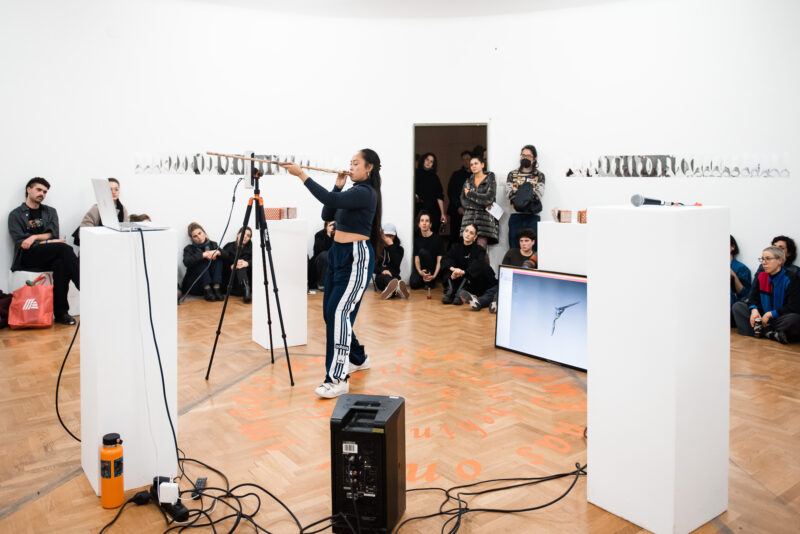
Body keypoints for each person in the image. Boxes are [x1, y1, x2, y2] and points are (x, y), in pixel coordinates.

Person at [282, 149, 382, 399]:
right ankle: (358, 358)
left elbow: (327, 200)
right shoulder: (350, 192)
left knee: (339, 314)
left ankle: (337, 379)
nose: (351, 166)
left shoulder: (366, 193)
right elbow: (327, 212)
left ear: (368, 168)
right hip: (338, 254)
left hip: (356, 257)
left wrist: (301, 175)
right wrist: (337, 187)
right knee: (332, 314)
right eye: (350, 163)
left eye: (356, 163)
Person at [8, 177, 80, 325]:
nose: (42, 193)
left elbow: (53, 233)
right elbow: (22, 243)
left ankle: (61, 313)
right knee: (64, 249)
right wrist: (48, 241)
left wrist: (34, 237)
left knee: (61, 263)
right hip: (27, 258)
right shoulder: (16, 214)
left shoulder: (50, 212)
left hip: (48, 256)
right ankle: (85, 286)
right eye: (39, 189)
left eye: (45, 191)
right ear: (29, 189)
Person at [732, 246, 800, 344]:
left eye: (768, 259)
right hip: (761, 317)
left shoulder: (792, 278)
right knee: (738, 307)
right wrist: (754, 310)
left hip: (779, 318)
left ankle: (762, 332)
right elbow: (752, 298)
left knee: (795, 319)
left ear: (780, 260)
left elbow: (794, 306)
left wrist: (770, 314)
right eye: (762, 259)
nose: (763, 262)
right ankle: (772, 334)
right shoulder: (761, 276)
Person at [462, 228, 537, 313]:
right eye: (521, 241)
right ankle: (479, 302)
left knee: (504, 291)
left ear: (533, 242)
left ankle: (497, 303)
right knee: (495, 289)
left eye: (526, 241)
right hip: (508, 282)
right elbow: (503, 272)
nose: (523, 243)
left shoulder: (535, 257)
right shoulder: (511, 253)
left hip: (524, 287)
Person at [442, 224, 496, 305]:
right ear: (463, 233)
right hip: (456, 276)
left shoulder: (479, 250)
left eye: (471, 233)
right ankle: (451, 290)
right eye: (466, 231)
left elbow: (478, 265)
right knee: (448, 264)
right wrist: (453, 269)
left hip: (471, 280)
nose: (467, 234)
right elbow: (445, 259)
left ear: (475, 237)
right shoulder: (455, 246)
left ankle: (460, 293)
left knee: (479, 267)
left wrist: (463, 272)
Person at [506, 145, 545, 247]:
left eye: (528, 156)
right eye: (523, 155)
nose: (525, 158)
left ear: (534, 158)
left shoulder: (539, 175)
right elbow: (509, 192)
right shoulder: (512, 174)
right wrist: (521, 199)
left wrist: (521, 198)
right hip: (515, 215)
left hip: (532, 216)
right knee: (514, 246)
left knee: (532, 249)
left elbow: (538, 194)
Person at [72, 177, 129, 246]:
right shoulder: (96, 209)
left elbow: (126, 230)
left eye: (116, 189)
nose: (114, 192)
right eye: (110, 189)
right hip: (95, 245)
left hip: (115, 244)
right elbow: (84, 231)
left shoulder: (123, 209)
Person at [460, 156, 499, 248]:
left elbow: (488, 198)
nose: (473, 166)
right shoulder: (467, 182)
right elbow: (463, 201)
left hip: (484, 221)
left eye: (476, 163)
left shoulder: (490, 179)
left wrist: (470, 194)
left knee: (481, 250)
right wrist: (481, 203)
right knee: (468, 250)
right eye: (471, 164)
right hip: (469, 219)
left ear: (482, 165)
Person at [181, 222, 224, 301]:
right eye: (195, 236)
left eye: (200, 233)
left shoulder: (213, 244)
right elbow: (186, 262)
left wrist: (217, 252)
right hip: (197, 285)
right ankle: (207, 290)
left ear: (204, 232)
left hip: (213, 283)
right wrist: (203, 255)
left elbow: (227, 256)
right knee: (200, 261)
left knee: (218, 260)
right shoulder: (189, 248)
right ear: (192, 238)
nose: (199, 237)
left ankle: (216, 288)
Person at [410, 211, 443, 290]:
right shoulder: (417, 239)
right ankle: (425, 280)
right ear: (419, 224)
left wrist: (434, 275)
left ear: (430, 224)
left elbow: (439, 261)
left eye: (427, 221)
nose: (424, 223)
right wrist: (420, 271)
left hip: (432, 268)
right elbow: (416, 258)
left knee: (423, 252)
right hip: (421, 268)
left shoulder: (437, 239)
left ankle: (429, 279)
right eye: (422, 221)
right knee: (413, 284)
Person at [414, 152, 446, 235]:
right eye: (427, 160)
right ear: (423, 160)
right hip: (419, 210)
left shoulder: (435, 177)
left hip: (433, 211)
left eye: (431, 161)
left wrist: (443, 214)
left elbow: (439, 195)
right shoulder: (415, 174)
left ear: (433, 164)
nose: (428, 162)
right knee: (419, 234)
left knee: (433, 234)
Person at [374, 223, 408, 299]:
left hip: (395, 276)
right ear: (382, 235)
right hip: (381, 277)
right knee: (387, 279)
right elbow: (373, 267)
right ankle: (397, 289)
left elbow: (397, 263)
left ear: (395, 236)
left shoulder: (399, 249)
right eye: (386, 235)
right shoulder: (377, 248)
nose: (388, 238)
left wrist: (391, 246)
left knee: (395, 281)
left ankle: (392, 290)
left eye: (391, 236)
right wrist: (383, 271)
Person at [446, 150, 472, 246]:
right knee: (455, 235)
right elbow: (451, 192)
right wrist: (458, 207)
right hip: (457, 210)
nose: (466, 161)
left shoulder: (476, 175)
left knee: (469, 235)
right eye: (464, 159)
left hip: (471, 211)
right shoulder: (456, 175)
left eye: (468, 159)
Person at [221, 226, 253, 303]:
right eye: (243, 233)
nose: (245, 236)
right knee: (238, 264)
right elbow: (222, 260)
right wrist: (231, 266)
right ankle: (246, 290)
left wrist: (247, 263)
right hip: (231, 278)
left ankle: (246, 288)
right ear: (238, 234)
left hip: (246, 277)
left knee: (241, 265)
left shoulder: (252, 248)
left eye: (248, 236)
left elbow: (258, 261)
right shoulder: (229, 246)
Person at [308, 221, 335, 290]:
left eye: (334, 225)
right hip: (320, 258)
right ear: (326, 226)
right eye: (331, 225)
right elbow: (318, 249)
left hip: (334, 258)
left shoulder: (339, 235)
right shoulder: (319, 234)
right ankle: (322, 283)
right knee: (325, 254)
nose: (333, 227)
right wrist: (328, 235)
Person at [729, 235, 751, 318]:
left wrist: (733, 275)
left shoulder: (741, 268)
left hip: (733, 310)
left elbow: (746, 296)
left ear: (732, 247)